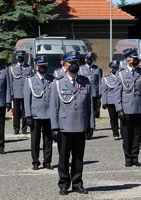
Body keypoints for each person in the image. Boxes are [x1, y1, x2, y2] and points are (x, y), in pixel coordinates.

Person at [50, 51, 94, 195]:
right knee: (63, 158)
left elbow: (90, 106)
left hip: (81, 125)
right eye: (71, 63)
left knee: (78, 157)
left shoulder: (85, 82)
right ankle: (63, 184)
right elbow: (54, 107)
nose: (74, 66)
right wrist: (54, 127)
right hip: (64, 126)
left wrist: (90, 125)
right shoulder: (57, 83)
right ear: (65, 64)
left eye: (76, 63)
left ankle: (77, 183)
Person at [114, 50, 141, 167]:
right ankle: (128, 157)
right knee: (127, 134)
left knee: (137, 134)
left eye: (135, 58)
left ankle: (135, 157)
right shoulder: (121, 74)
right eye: (133, 58)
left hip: (138, 108)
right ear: (128, 60)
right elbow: (117, 93)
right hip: (126, 109)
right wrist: (119, 109)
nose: (135, 60)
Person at [24, 56, 54, 170]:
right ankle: (35, 161)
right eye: (40, 66)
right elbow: (27, 99)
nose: (42, 68)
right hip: (35, 114)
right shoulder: (30, 80)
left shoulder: (52, 80)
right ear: (36, 67)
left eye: (44, 66)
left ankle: (47, 161)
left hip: (48, 114)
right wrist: (28, 115)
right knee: (35, 140)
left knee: (48, 140)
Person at [8, 50, 33, 135]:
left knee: (25, 111)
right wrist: (11, 93)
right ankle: (16, 128)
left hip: (26, 94)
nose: (20, 58)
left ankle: (24, 128)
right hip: (16, 93)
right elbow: (10, 82)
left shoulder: (29, 68)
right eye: (19, 56)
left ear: (24, 57)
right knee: (16, 112)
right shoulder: (12, 68)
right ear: (16, 57)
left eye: (21, 56)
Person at [78, 52, 102, 123]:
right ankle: (85, 123)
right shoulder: (81, 69)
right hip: (84, 92)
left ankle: (92, 123)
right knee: (84, 108)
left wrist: (100, 92)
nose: (89, 60)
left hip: (94, 92)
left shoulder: (97, 69)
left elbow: (99, 81)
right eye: (88, 59)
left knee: (93, 109)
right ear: (85, 59)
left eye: (90, 59)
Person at [101, 60, 121, 140]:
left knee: (122, 118)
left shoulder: (121, 76)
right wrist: (105, 102)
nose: (114, 69)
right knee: (113, 118)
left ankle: (123, 132)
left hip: (120, 100)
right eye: (113, 68)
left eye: (116, 67)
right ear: (110, 68)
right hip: (111, 101)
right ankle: (115, 133)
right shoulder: (106, 78)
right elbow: (104, 90)